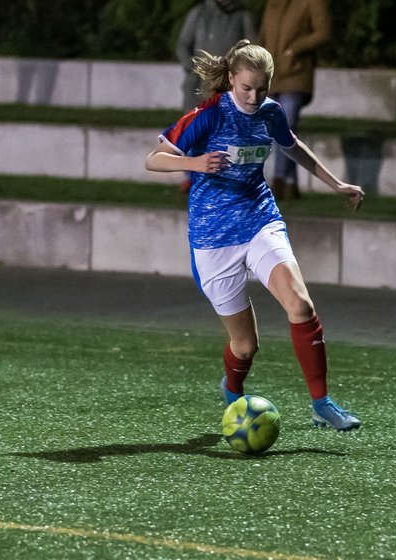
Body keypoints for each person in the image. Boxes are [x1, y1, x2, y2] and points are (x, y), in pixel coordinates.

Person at [145, 40, 363, 431]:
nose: (253, 96)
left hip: (259, 218)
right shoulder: (209, 114)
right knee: (245, 346)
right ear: (231, 79)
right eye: (246, 87)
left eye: (262, 89)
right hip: (214, 237)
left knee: (300, 306)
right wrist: (194, 162)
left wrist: (337, 184)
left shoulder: (269, 112)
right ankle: (232, 387)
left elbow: (291, 146)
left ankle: (322, 403)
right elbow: (153, 158)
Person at [258, 0, 331, 200]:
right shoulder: (274, 3)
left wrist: (296, 49)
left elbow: (322, 32)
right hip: (273, 74)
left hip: (296, 73)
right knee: (281, 129)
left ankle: (278, 179)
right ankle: (290, 183)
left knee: (285, 126)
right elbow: (263, 36)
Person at [175, 0, 256, 110]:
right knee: (196, 125)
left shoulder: (242, 16)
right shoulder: (198, 13)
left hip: (229, 82)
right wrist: (190, 66)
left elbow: (253, 48)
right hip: (199, 81)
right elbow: (183, 44)